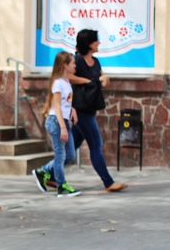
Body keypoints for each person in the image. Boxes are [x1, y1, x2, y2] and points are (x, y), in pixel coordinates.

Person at [70, 28, 128, 193]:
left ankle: (47, 173)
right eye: (96, 40)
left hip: (91, 107)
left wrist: (105, 79)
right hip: (80, 109)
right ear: (89, 44)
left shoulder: (95, 61)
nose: (99, 42)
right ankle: (108, 182)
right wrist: (88, 81)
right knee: (96, 144)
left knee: (71, 148)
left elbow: (102, 78)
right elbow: (67, 76)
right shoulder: (77, 60)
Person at [32, 51, 81, 197]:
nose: (75, 65)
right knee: (60, 155)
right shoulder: (58, 83)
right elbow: (57, 106)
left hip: (63, 121)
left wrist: (72, 109)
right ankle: (61, 186)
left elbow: (64, 103)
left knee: (70, 155)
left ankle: (43, 171)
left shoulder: (66, 82)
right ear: (65, 65)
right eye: (72, 63)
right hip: (57, 122)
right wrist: (63, 128)